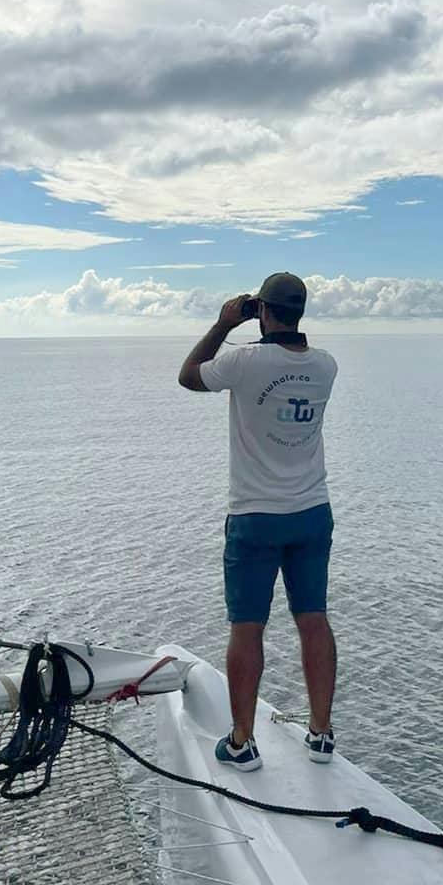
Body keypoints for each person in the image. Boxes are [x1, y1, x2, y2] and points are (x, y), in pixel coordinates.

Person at [178, 272, 339, 773]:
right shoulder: (326, 366)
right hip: (312, 511)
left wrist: (224, 323)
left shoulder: (244, 361)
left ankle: (243, 741)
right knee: (313, 618)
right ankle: (320, 732)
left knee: (247, 628)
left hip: (254, 516)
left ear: (263, 311)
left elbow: (189, 374)